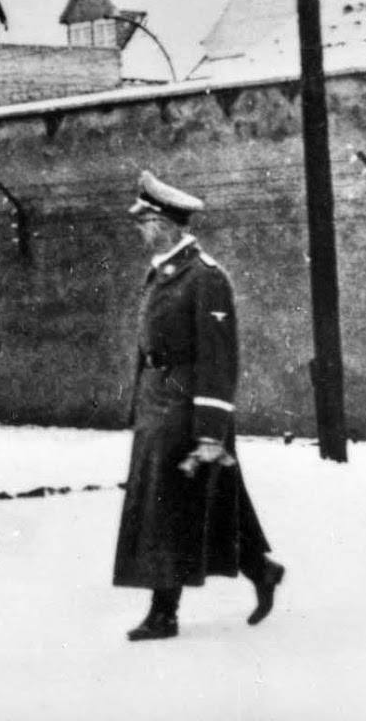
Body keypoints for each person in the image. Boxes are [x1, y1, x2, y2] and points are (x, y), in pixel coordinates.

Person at [112, 172, 283, 641]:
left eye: (146, 220)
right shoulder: (164, 271)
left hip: (185, 406)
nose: (140, 229)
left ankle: (163, 613)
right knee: (209, 497)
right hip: (158, 401)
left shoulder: (205, 277)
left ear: (167, 223)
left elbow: (219, 356)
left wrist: (210, 428)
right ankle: (260, 569)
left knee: (166, 507)